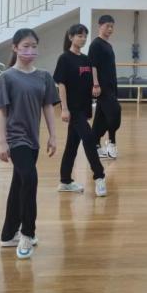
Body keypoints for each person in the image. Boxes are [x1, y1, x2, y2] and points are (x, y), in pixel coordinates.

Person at [0, 28, 59, 260]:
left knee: (19, 184)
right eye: (25, 46)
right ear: (15, 48)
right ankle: (27, 233)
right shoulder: (6, 78)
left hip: (33, 140)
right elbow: (1, 111)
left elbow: (48, 106)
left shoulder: (44, 76)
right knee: (30, 180)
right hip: (16, 139)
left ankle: (7, 234)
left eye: (34, 46)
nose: (30, 50)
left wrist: (53, 135)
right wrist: (2, 142)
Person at [54, 23, 107, 197]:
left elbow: (88, 81)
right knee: (90, 139)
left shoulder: (85, 59)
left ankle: (65, 181)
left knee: (72, 144)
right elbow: (61, 84)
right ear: (71, 37)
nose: (83, 39)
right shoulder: (64, 58)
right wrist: (64, 108)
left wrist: (95, 88)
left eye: (85, 36)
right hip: (73, 109)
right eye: (79, 36)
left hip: (84, 108)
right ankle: (99, 176)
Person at [89, 14, 121, 159]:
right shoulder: (96, 44)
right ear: (100, 26)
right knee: (115, 113)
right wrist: (95, 84)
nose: (110, 29)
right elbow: (93, 66)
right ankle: (111, 143)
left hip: (111, 86)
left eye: (112, 27)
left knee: (101, 117)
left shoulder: (108, 45)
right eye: (107, 26)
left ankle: (94, 144)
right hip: (102, 87)